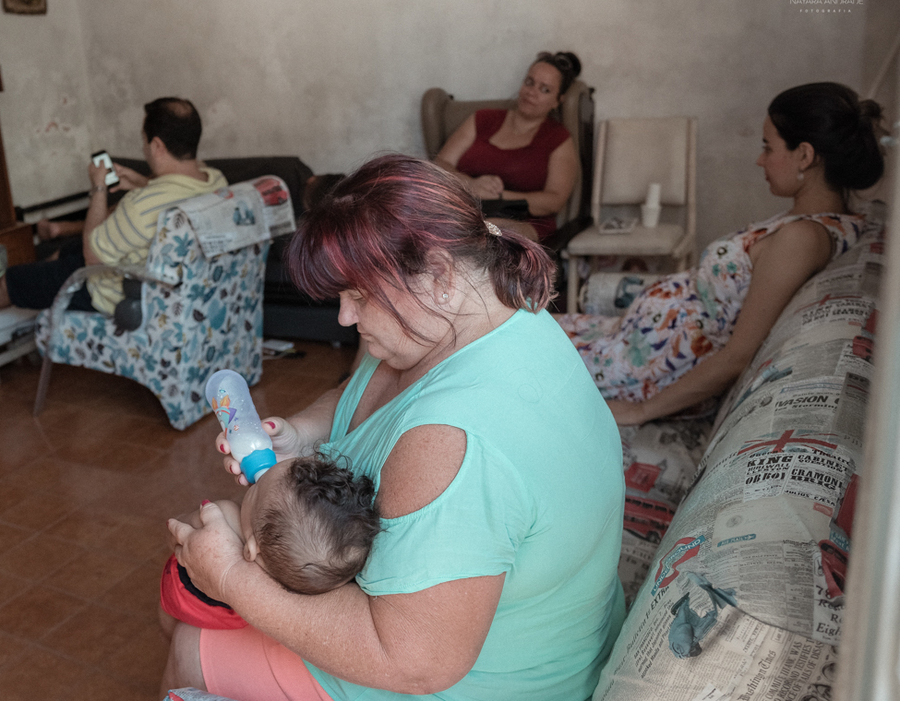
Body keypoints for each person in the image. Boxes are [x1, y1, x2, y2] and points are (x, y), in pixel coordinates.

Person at [162, 155, 626, 701]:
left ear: (439, 275)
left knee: (190, 640)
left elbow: (414, 664)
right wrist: (301, 432)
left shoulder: (452, 443)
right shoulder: (481, 313)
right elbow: (364, 392)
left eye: (357, 296)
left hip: (486, 681)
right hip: (500, 639)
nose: (343, 318)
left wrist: (233, 580)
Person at [558, 82, 884, 426]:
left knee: (514, 351)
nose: (760, 160)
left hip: (646, 369)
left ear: (804, 155)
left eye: (767, 147)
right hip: (634, 341)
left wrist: (641, 411)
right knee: (524, 327)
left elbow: (738, 355)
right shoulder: (807, 221)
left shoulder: (802, 239)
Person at [0, 97, 226, 314]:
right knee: (68, 250)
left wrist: (99, 188)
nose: (142, 147)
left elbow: (93, 256)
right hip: (182, 288)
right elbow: (171, 198)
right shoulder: (215, 181)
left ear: (156, 145)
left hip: (117, 292)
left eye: (144, 140)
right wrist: (144, 183)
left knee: (19, 280)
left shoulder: (142, 206)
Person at [160, 453, 380, 633]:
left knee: (169, 620)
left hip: (186, 596)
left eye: (256, 490)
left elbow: (176, 535)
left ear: (252, 549)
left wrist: (182, 521)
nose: (254, 482)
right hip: (247, 625)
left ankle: (169, 630)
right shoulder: (310, 574)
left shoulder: (223, 517)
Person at [434, 51, 582, 241]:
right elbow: (440, 163)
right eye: (529, 82)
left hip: (521, 222)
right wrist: (470, 184)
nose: (532, 92)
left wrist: (500, 196)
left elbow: (555, 200)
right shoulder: (483, 119)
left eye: (544, 89)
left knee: (490, 234)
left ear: (557, 100)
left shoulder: (558, 138)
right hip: (464, 210)